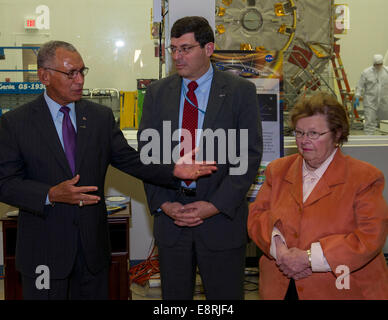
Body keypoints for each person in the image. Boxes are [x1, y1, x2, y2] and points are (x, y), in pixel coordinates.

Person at [0, 40, 216, 300]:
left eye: (82, 71)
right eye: (71, 73)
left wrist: (174, 171)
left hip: (92, 251)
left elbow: (131, 161)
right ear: (44, 76)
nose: (79, 80)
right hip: (44, 252)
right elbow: (5, 183)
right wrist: (50, 194)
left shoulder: (99, 117)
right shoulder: (15, 123)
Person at [137, 16, 262, 300]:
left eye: (186, 48)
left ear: (208, 49)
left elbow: (248, 156)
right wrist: (164, 203)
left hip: (220, 219)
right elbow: (148, 155)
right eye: (173, 49)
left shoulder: (240, 92)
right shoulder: (158, 93)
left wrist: (214, 205)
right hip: (173, 218)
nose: (177, 57)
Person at [248, 91, 388, 300]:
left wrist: (309, 259)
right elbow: (257, 215)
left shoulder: (364, 177)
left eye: (314, 134)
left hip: (341, 288)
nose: (304, 141)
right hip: (281, 285)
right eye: (299, 133)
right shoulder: (277, 170)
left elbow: (369, 236)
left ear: (337, 134)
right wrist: (280, 250)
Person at [354, 54, 388, 135]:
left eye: (380, 64)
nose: (378, 66)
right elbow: (360, 85)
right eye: (377, 64)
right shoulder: (366, 72)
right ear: (374, 64)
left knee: (385, 123)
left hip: (384, 102)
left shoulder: (386, 71)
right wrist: (357, 96)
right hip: (370, 102)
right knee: (370, 122)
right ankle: (368, 140)